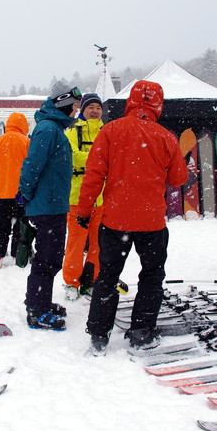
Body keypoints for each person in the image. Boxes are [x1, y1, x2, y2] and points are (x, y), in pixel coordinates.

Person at [77, 80, 188, 355]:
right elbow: (178, 178)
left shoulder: (111, 131)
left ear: (131, 100)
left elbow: (93, 176)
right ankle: (141, 331)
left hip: (115, 221)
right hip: (152, 222)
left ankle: (99, 334)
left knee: (108, 276)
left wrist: (84, 211)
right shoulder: (165, 136)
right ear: (158, 104)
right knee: (152, 276)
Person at [19, 83, 81, 330]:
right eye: (75, 106)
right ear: (63, 104)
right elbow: (32, 164)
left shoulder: (54, 128)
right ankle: (37, 310)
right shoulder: (47, 129)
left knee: (51, 258)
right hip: (47, 205)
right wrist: (25, 193)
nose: (77, 110)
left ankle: (40, 301)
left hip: (53, 204)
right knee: (46, 259)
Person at [63, 93, 105, 302]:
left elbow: (113, 157)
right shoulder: (72, 131)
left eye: (98, 107)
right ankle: (71, 282)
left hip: (101, 198)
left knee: (98, 244)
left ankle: (91, 281)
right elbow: (71, 157)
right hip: (77, 197)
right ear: (83, 110)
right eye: (91, 107)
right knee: (76, 244)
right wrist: (99, 160)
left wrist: (90, 160)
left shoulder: (107, 132)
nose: (95, 111)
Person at [0, 112, 30, 268]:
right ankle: (18, 255)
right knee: (20, 225)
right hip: (21, 192)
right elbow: (32, 164)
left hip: (3, 191)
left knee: (3, 226)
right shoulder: (26, 141)